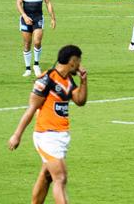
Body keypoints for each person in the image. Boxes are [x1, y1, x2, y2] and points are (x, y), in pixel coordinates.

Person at [7, 44, 88, 204]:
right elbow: (31, 109)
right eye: (79, 61)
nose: (80, 65)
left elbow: (80, 101)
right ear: (72, 61)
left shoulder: (68, 80)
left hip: (61, 136)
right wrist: (17, 135)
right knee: (61, 177)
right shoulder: (47, 79)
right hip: (47, 136)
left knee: (47, 175)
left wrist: (84, 81)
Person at [17, 0, 56, 77]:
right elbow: (19, 4)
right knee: (26, 44)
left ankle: (36, 64)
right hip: (26, 19)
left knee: (37, 42)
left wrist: (53, 18)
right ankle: (28, 68)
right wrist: (24, 16)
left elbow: (48, 3)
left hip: (38, 18)